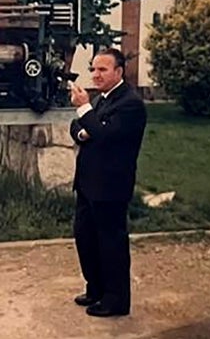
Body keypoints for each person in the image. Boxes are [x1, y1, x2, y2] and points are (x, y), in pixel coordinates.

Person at [68, 48, 147, 318]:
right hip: (88, 185)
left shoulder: (130, 103)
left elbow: (103, 134)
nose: (96, 74)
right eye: (93, 69)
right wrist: (81, 129)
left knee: (110, 244)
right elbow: (79, 126)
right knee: (86, 238)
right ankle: (96, 288)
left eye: (102, 69)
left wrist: (84, 110)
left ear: (119, 72)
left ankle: (116, 299)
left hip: (110, 187)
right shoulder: (102, 100)